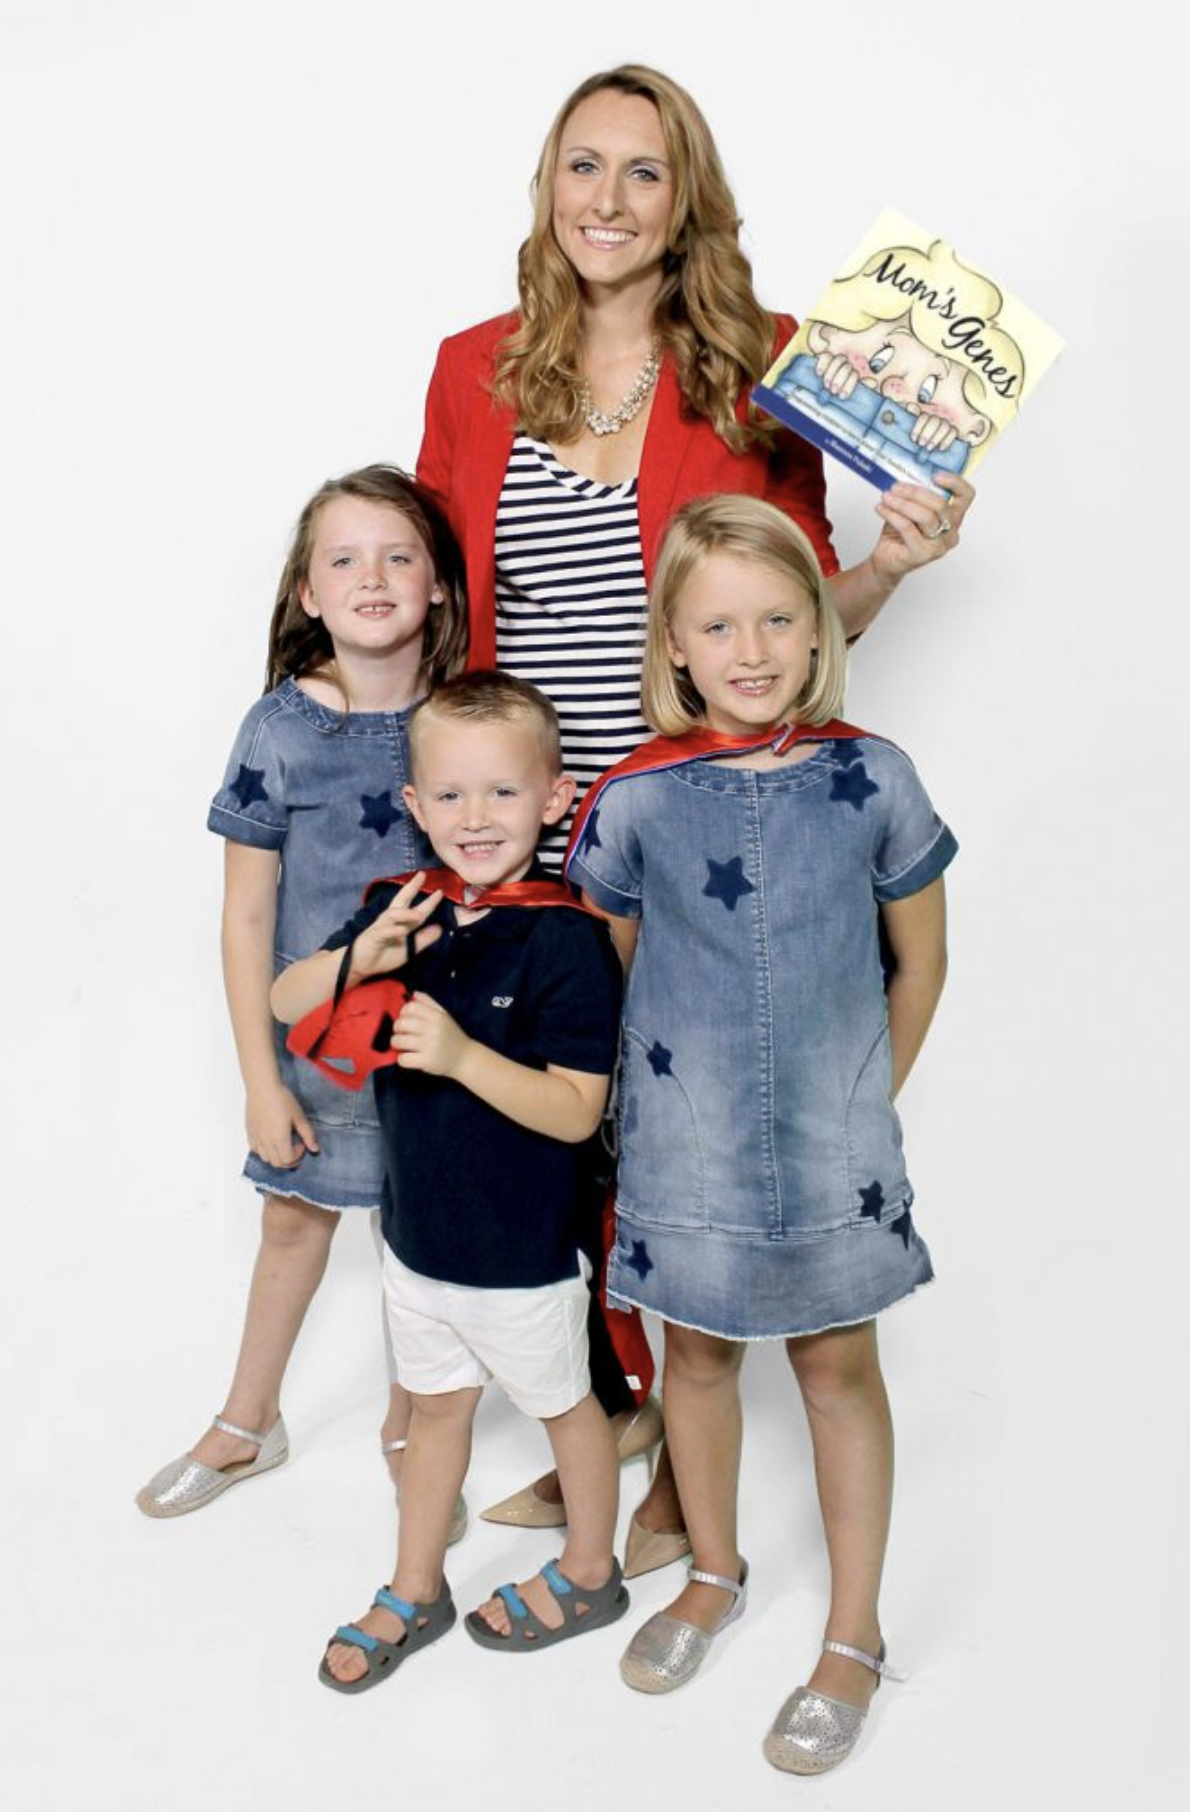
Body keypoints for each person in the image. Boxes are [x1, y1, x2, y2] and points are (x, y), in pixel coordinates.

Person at [416, 61, 973, 1567]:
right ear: (546, 189)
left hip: (707, 825)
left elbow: (789, 607)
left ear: (687, 200)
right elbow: (443, 609)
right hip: (525, 827)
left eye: (641, 173)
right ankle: (613, 1420)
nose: (606, 199)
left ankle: (674, 1493)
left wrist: (898, 561)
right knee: (554, 1137)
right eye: (579, 167)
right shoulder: (473, 367)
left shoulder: (764, 361)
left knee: (668, 1135)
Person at [565, 495, 956, 1775]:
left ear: (814, 631)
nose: (751, 648)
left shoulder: (874, 777)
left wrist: (858, 1105)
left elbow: (921, 965)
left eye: (780, 617)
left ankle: (851, 1632)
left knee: (837, 1368)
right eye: (718, 623)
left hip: (836, 1152)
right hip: (684, 1151)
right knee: (700, 1365)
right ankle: (715, 1571)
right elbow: (609, 984)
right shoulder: (632, 801)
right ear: (671, 643)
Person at [272, 673, 628, 1693]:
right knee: (433, 1416)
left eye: (503, 794)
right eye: (452, 795)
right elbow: (283, 998)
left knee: (570, 1415)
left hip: (523, 1254)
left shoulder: (566, 940)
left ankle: (589, 1570)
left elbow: (574, 1111)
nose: (476, 818)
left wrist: (467, 1057)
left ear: (555, 798)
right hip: (416, 1243)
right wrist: (360, 960)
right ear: (416, 804)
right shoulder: (402, 908)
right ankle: (414, 1584)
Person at [135, 466, 471, 1533]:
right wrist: (256, 1081)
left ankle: (410, 1428)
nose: (372, 576)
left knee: (421, 1248)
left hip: (440, 1046)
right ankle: (248, 1421)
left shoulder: (467, 720)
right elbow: (244, 920)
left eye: (398, 555)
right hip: (320, 1051)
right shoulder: (279, 732)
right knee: (294, 1228)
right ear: (309, 594)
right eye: (343, 558)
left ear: (438, 587)